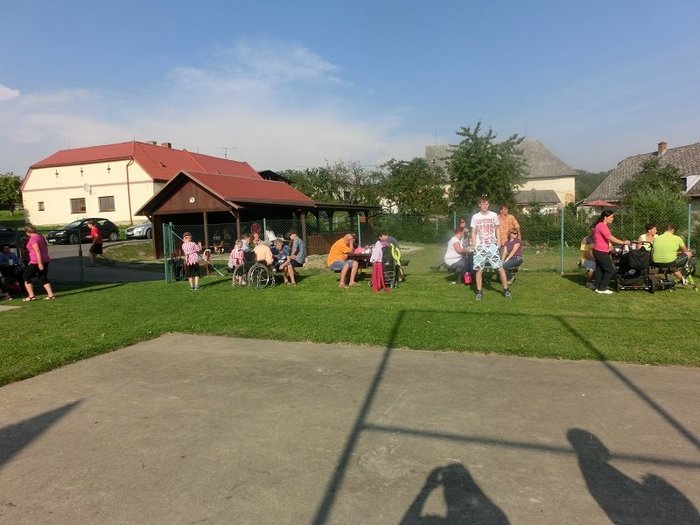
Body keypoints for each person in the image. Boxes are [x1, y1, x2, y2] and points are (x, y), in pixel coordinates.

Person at [470, 197, 511, 300]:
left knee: (499, 267)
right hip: (480, 247)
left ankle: (506, 290)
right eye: (483, 204)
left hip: (492, 246)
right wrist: (474, 245)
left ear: (489, 205)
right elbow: (473, 231)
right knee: (479, 269)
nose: (485, 206)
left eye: (487, 204)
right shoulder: (475, 217)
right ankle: (479, 291)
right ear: (479, 205)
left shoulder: (493, 215)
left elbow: (497, 228)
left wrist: (498, 241)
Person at [591, 210, 630, 294]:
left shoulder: (600, 225)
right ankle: (602, 288)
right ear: (605, 217)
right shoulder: (602, 226)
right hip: (600, 251)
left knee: (600, 269)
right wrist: (623, 242)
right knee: (610, 270)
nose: (613, 218)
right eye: (611, 217)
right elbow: (610, 237)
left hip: (598, 250)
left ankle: (598, 287)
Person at [22, 224, 56, 301]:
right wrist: (45, 257)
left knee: (26, 276)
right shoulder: (41, 236)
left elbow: (37, 251)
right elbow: (45, 247)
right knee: (42, 277)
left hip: (36, 261)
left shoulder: (33, 238)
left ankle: (31, 296)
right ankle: (51, 295)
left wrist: (40, 263)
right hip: (45, 260)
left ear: (27, 232)